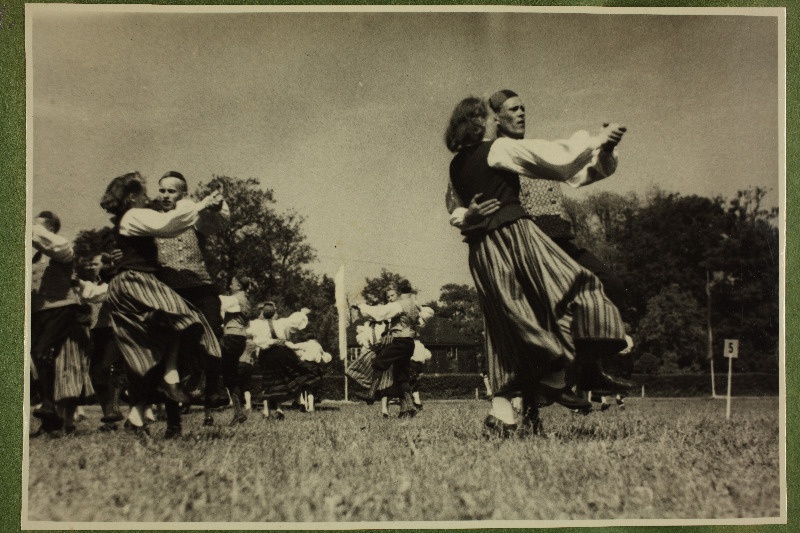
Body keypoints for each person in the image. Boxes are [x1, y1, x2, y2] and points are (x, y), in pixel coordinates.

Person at [444, 96, 630, 436]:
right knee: (565, 298)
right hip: (520, 239)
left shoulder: (461, 162)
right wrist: (595, 139)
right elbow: (561, 160)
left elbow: (573, 169)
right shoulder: (500, 150)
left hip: (495, 247)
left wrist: (600, 148)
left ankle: (524, 402)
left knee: (512, 326)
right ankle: (553, 380)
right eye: (510, 109)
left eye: (522, 107)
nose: (520, 113)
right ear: (490, 120)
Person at [99, 171, 223, 439]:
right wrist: (201, 204)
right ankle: (172, 380)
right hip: (136, 282)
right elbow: (167, 225)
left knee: (155, 349)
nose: (152, 197)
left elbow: (210, 222)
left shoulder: (135, 217)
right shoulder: (135, 215)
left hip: (134, 284)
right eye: (147, 193)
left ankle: (137, 417)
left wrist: (210, 206)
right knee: (185, 318)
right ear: (132, 196)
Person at [155, 171, 230, 426]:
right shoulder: (152, 220)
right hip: (169, 293)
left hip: (200, 286)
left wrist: (215, 208)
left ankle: (213, 391)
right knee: (170, 351)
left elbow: (213, 223)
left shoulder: (192, 215)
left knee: (212, 331)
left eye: (171, 191)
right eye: (162, 190)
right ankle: (173, 420)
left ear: (183, 194)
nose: (165, 196)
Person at [30, 212, 95, 436]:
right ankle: (51, 421)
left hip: (62, 308)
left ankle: (50, 406)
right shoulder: (34, 258)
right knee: (40, 359)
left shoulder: (61, 251)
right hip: (39, 312)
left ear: (49, 229)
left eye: (37, 226)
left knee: (41, 354)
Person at [352, 279, 424, 418]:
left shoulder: (400, 304)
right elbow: (419, 322)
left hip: (400, 341)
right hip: (409, 342)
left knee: (379, 362)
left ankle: (371, 394)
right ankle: (411, 407)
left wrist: (362, 306)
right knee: (402, 376)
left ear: (398, 292)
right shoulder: (414, 305)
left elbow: (380, 314)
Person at [247, 302, 315, 420]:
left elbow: (254, 337)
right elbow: (295, 320)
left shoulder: (257, 324)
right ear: (274, 313)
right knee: (280, 381)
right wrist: (302, 313)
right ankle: (278, 409)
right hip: (281, 353)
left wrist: (270, 342)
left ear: (263, 313)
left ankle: (268, 411)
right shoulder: (281, 322)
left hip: (268, 355)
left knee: (270, 382)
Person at [218, 275, 255, 425]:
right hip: (240, 338)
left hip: (230, 336)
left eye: (232, 283)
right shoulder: (245, 299)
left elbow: (218, 303)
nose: (230, 285)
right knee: (230, 374)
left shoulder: (235, 298)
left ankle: (216, 395)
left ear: (239, 286)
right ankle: (238, 412)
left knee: (219, 369)